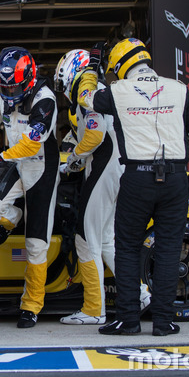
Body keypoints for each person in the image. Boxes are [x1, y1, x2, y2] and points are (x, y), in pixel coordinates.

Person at [76, 38, 189, 337]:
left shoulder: (117, 91)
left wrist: (91, 69)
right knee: (169, 250)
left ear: (121, 66)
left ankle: (129, 321)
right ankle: (164, 322)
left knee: (127, 249)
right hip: (175, 177)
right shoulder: (178, 88)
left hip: (136, 177)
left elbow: (86, 96)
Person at [0, 46, 60, 328]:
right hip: (14, 164)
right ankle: (11, 219)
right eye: (3, 87)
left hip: (41, 167)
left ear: (29, 79)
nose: (8, 93)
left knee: (36, 243)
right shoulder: (0, 92)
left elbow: (31, 143)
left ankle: (31, 305)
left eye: (13, 87)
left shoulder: (45, 100)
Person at [54, 49, 124, 325]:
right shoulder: (102, 90)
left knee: (86, 240)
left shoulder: (90, 95)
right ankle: (141, 292)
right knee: (107, 240)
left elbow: (94, 136)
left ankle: (94, 308)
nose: (63, 92)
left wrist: (72, 160)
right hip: (119, 168)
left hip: (104, 169)